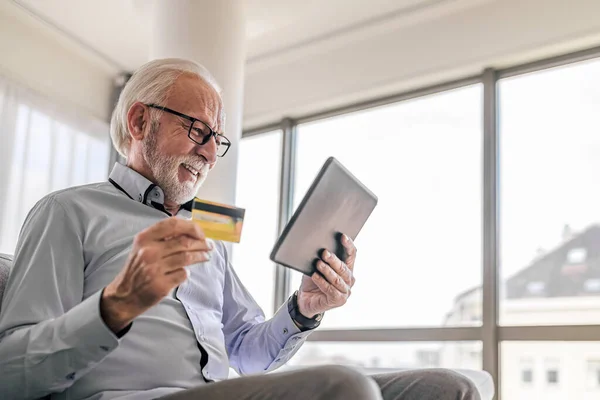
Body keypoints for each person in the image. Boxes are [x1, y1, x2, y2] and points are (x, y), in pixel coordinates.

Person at [0, 58, 480, 400]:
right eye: (197, 130)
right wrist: (116, 305)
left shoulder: (207, 232)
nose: (210, 154)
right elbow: (9, 374)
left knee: (450, 387)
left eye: (218, 139)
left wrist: (302, 310)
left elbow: (247, 353)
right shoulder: (67, 212)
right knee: (343, 388)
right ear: (140, 120)